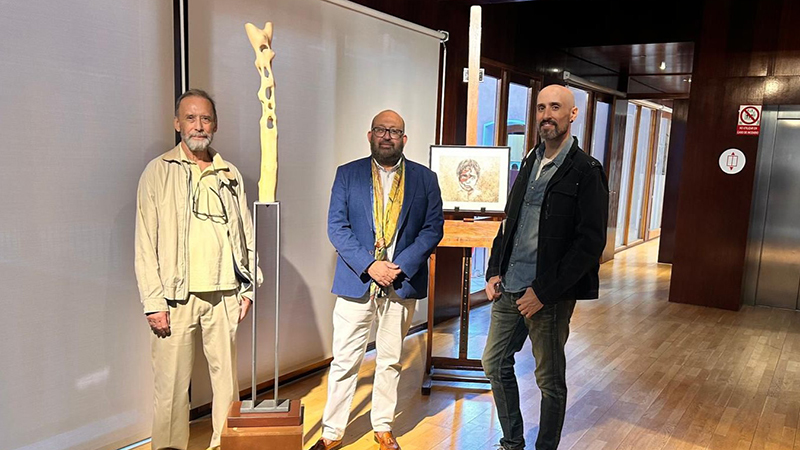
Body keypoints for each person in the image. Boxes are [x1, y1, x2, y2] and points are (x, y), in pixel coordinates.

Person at [482, 84, 609, 450]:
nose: (546, 115)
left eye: (555, 107)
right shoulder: (529, 162)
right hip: (510, 286)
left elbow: (589, 244)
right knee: (494, 363)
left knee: (549, 381)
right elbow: (510, 222)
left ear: (572, 114)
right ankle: (512, 441)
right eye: (540, 108)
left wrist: (543, 292)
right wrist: (494, 270)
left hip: (548, 296)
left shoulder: (586, 171)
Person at [310, 110, 444, 450]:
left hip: (401, 282)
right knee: (345, 360)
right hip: (356, 280)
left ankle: (383, 426)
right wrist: (370, 265)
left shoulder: (425, 179)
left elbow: (433, 229)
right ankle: (332, 432)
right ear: (370, 135)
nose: (387, 136)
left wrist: (400, 266)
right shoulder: (347, 174)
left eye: (394, 131)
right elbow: (336, 227)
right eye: (381, 130)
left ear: (404, 139)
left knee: (390, 359)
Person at [135, 89, 259, 450]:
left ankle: (224, 445)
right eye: (191, 118)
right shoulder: (158, 172)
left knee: (227, 386)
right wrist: (153, 302)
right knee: (171, 390)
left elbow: (245, 232)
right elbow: (144, 242)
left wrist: (248, 286)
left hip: (225, 293)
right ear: (177, 124)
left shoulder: (229, 173)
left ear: (215, 124)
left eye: (205, 118)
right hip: (175, 298)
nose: (199, 125)